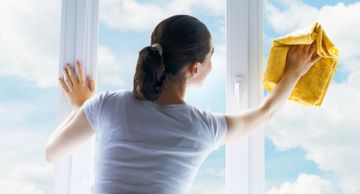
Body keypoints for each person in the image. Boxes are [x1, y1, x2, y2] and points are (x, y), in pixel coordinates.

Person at [45, 15, 321, 194]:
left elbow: (52, 153)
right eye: (211, 56)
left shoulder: (106, 105)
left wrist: (82, 107)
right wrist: (294, 72)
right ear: (193, 68)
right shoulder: (201, 128)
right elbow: (265, 113)